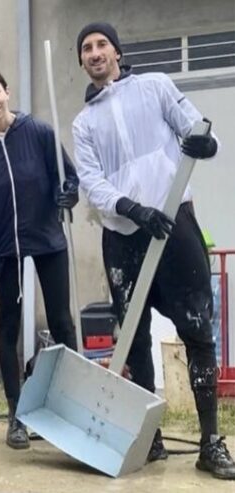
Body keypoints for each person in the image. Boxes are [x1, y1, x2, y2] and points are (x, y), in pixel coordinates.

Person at [73, 22, 235, 480]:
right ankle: (151, 437)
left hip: (175, 224)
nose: (95, 52)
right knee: (134, 336)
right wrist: (129, 208)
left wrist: (208, 145)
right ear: (82, 61)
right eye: (86, 48)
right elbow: (92, 180)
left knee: (198, 330)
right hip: (124, 236)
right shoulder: (84, 122)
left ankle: (209, 442)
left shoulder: (156, 87)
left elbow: (196, 130)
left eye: (102, 44)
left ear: (118, 52)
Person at [0, 68, 79, 450]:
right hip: (6, 247)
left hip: (48, 240)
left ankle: (70, 406)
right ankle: (16, 415)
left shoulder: (40, 132)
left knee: (63, 323)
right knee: (10, 327)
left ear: (7, 92)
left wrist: (69, 194)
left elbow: (69, 177)